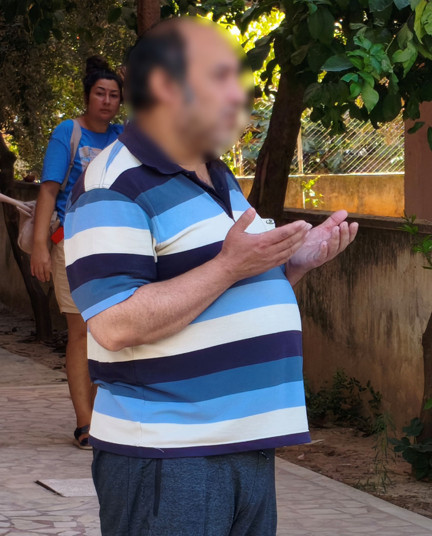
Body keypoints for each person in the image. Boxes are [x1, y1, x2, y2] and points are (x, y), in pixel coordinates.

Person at [64, 17, 358, 535]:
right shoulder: (111, 183)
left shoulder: (216, 174)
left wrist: (294, 264)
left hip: (243, 447)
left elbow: (224, 292)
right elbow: (113, 322)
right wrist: (228, 266)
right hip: (166, 456)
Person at [30, 56, 123, 449]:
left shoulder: (123, 137)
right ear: (87, 97)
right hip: (71, 243)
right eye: (99, 93)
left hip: (115, 245)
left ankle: (107, 418)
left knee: (112, 334)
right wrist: (37, 246)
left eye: (114, 95)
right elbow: (49, 191)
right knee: (80, 332)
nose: (106, 101)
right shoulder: (67, 132)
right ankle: (86, 423)